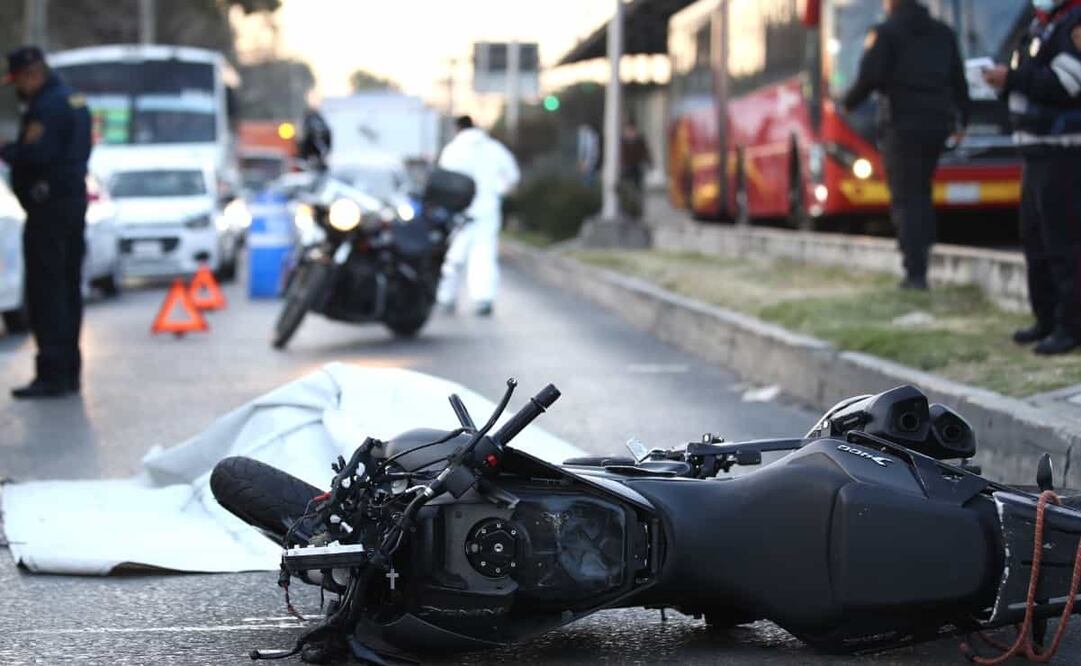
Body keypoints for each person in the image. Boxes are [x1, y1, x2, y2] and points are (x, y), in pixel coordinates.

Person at [843, 0, 969, 290]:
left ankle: (916, 273)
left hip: (902, 126)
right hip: (937, 125)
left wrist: (847, 105)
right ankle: (922, 258)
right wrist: (963, 118)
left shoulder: (886, 33)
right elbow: (958, 80)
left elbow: (869, 77)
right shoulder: (943, 32)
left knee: (906, 197)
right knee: (922, 192)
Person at [984, 0, 1081, 355]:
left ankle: (1070, 326)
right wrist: (1002, 80)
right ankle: (1046, 318)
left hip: (1064, 151)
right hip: (1034, 151)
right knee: (1035, 241)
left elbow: (1067, 82)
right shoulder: (1040, 25)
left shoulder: (1075, 22)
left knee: (1064, 242)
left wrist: (1012, 78)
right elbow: (1025, 71)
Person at [1, 47, 92, 399]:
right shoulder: (74, 100)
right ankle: (68, 371)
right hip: (70, 205)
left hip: (48, 209)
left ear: (31, 74)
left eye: (18, 82)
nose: (18, 91)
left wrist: (9, 151)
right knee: (68, 290)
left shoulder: (48, 105)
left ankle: (52, 373)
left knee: (47, 291)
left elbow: (36, 155)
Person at [436, 115, 519, 317]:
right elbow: (513, 176)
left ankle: (446, 297)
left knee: (453, 255)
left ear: (458, 129)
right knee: (484, 254)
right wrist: (497, 191)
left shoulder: (452, 150)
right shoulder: (494, 148)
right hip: (487, 208)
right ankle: (483, 298)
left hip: (459, 211)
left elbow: (442, 181)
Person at [619, 120, 652, 218]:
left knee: (638, 190)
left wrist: (650, 163)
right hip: (626, 168)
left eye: (632, 130)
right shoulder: (622, 141)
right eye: (629, 130)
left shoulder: (639, 140)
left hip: (636, 168)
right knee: (626, 189)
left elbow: (645, 152)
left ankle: (637, 211)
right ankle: (625, 209)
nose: (631, 132)